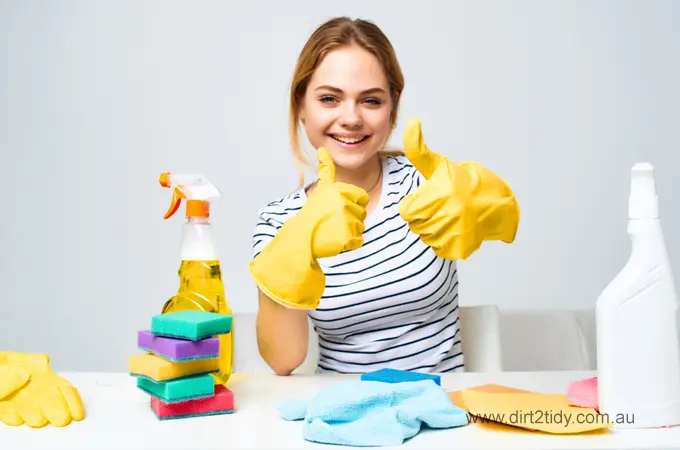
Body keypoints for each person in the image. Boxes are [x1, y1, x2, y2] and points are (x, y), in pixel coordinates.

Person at [248, 17, 520, 376]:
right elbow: (283, 360)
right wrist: (297, 243)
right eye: (329, 98)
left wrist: (482, 195)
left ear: (392, 106)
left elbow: (507, 220)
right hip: (343, 417)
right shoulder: (277, 220)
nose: (351, 118)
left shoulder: (428, 185)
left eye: (370, 101)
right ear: (301, 105)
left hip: (445, 412)